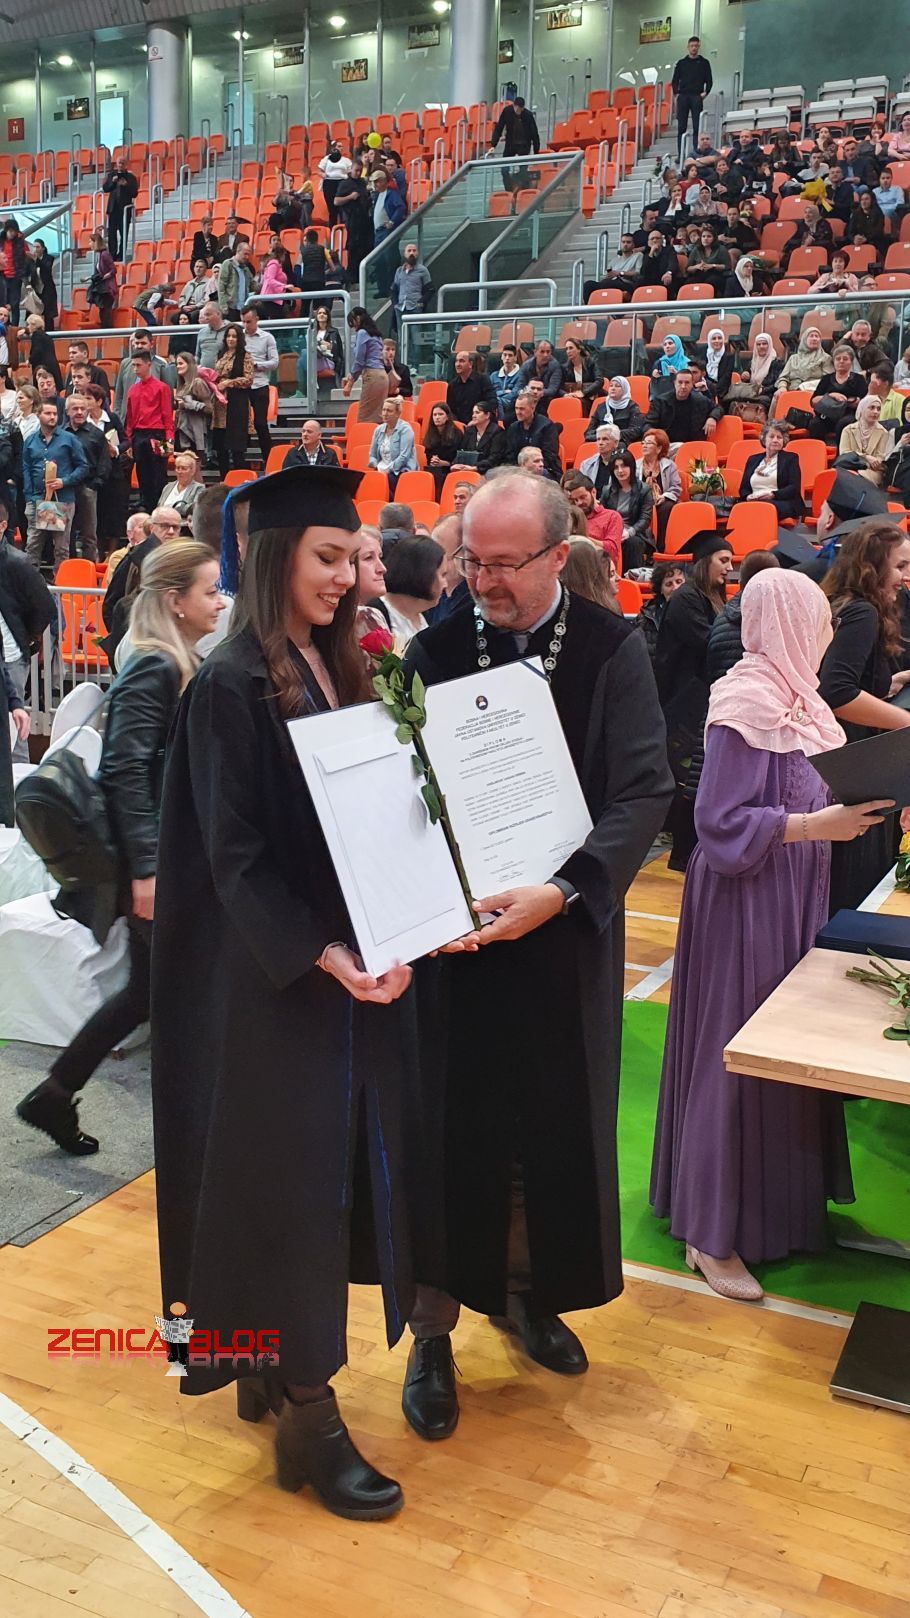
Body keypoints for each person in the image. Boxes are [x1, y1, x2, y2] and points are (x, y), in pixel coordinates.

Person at [151, 465, 420, 1522]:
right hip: (267, 980)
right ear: (275, 560)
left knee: (319, 1181)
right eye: (327, 557)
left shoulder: (336, 660)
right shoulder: (230, 684)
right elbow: (235, 854)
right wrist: (322, 952)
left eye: (353, 558)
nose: (347, 575)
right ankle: (310, 1416)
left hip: (332, 971)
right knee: (290, 1193)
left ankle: (262, 1366)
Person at [398, 468, 672, 1443]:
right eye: (472, 561)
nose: (485, 581)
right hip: (457, 945)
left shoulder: (610, 647)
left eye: (507, 564)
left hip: (562, 936)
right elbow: (401, 792)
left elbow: (643, 791)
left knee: (547, 1132)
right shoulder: (430, 650)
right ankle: (431, 1334)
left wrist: (560, 891)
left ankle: (529, 1294)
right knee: (446, 1140)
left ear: (560, 555)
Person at [650, 570, 872, 1300]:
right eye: (820, 622)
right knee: (737, 1045)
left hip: (791, 889)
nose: (827, 636)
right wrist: (815, 826)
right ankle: (711, 1232)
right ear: (792, 625)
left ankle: (781, 1212)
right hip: (745, 898)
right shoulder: (745, 701)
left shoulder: (799, 700)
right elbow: (718, 824)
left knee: (783, 1046)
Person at [17, 540, 223, 1153]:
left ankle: (54, 1095)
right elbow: (124, 770)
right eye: (210, 590)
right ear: (175, 600)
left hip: (168, 857)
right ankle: (197, 1128)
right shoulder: (157, 666)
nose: (220, 601)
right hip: (159, 863)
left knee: (147, 994)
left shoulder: (174, 660)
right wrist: (149, 870)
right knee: (173, 995)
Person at [820, 521, 910, 913]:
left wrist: (888, 683)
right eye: (900, 566)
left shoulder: (843, 605)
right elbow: (837, 691)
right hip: (857, 763)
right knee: (854, 889)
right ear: (872, 565)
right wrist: (905, 721)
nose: (905, 577)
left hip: (839, 759)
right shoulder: (862, 613)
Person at [656, 531, 734, 872]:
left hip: (701, 696)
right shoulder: (686, 598)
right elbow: (707, 643)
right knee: (688, 775)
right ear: (705, 562)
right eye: (723, 560)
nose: (729, 568)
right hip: (683, 701)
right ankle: (682, 852)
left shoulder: (710, 597)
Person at [0, 490, 52, 765]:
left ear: (3, 526)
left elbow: (45, 607)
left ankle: (20, 779)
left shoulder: (17, 563)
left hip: (11, 656)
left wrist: (25, 637)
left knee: (15, 725)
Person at [22, 399, 87, 574]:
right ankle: (30, 583)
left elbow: (83, 467)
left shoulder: (69, 439)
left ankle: (60, 583)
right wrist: (29, 497)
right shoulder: (30, 440)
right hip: (38, 499)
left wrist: (64, 481)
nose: (52, 417)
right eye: (48, 413)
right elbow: (26, 469)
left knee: (61, 548)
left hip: (61, 500)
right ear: (38, 415)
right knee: (33, 546)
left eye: (55, 414)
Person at [125, 351, 174, 513]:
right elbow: (130, 418)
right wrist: (129, 442)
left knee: (159, 474)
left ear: (149, 365)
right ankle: (145, 504)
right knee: (142, 473)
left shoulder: (162, 388)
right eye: (133, 365)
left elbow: (167, 416)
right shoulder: (132, 389)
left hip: (157, 434)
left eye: (138, 365)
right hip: (139, 435)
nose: (135, 369)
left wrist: (169, 441)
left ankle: (160, 506)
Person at [376, 534, 446, 645]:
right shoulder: (376, 614)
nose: (445, 584)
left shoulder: (425, 615)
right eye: (443, 575)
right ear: (424, 573)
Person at [64, 393, 109, 563]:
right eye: (75, 408)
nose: (79, 412)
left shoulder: (96, 434)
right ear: (67, 411)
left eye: (82, 408)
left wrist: (95, 484)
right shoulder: (60, 433)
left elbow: (104, 462)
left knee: (89, 534)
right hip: (65, 488)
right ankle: (68, 568)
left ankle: (90, 569)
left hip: (87, 487)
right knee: (65, 533)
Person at [601, 450, 654, 571]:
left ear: (631, 467)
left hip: (636, 533)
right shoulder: (607, 490)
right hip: (613, 532)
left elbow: (645, 519)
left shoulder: (644, 490)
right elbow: (603, 515)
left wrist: (629, 532)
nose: (620, 470)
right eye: (616, 467)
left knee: (632, 543)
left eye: (624, 466)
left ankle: (630, 578)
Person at [739, 421, 803, 520]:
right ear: (764, 439)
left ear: (784, 441)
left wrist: (772, 495)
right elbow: (743, 488)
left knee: (763, 508)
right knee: (739, 509)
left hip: (780, 501)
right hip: (753, 501)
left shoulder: (791, 458)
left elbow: (794, 488)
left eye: (779, 437)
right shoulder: (753, 459)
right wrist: (747, 496)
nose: (775, 440)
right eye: (771, 437)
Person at [212, 323, 253, 476]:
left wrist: (229, 383)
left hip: (237, 403)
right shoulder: (220, 354)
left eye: (234, 336)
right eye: (228, 336)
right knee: (221, 446)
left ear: (239, 338)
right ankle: (224, 479)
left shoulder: (245, 355)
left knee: (237, 447)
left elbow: (249, 379)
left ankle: (240, 479)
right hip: (220, 403)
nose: (230, 339)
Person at [560, 472, 623, 569]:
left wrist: (582, 539)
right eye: (575, 500)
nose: (579, 503)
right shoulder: (572, 517)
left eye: (582, 497)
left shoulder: (612, 516)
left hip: (599, 568)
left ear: (593, 492)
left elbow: (611, 550)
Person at [238, 307, 277, 465]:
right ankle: (241, 461)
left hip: (260, 384)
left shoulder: (267, 337)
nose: (246, 325)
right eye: (243, 322)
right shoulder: (239, 337)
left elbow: (274, 362)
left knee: (260, 423)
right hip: (242, 385)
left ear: (256, 320)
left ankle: (268, 459)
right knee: (241, 424)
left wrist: (257, 365)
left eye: (249, 322)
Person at [646, 369, 719, 447]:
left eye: (687, 383)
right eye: (680, 382)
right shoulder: (660, 401)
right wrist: (657, 437)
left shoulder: (700, 400)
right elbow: (648, 424)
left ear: (692, 384)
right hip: (667, 445)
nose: (683, 386)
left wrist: (712, 418)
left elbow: (718, 408)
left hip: (693, 446)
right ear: (674, 383)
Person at [342, 307, 388, 424]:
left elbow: (359, 360)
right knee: (378, 417)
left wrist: (350, 383)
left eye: (352, 321)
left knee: (365, 418)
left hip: (372, 375)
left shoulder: (362, 333)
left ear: (357, 318)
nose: (353, 326)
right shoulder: (376, 336)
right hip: (382, 375)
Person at [487, 95, 541, 195]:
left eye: (520, 109)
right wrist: (493, 145)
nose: (517, 110)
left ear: (523, 108)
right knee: (504, 170)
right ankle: (509, 191)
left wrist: (536, 152)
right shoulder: (507, 111)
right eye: (516, 108)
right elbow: (499, 128)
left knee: (523, 171)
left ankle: (523, 190)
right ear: (513, 106)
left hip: (524, 145)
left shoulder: (528, 115)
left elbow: (534, 134)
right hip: (510, 145)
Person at [504, 388, 561, 481]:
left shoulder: (547, 426)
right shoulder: (513, 427)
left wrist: (529, 467)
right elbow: (509, 455)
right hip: (519, 469)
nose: (518, 412)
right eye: (516, 408)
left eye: (522, 409)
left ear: (533, 408)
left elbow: (550, 456)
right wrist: (520, 469)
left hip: (544, 469)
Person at [638, 427, 682, 546]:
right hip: (641, 501)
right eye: (643, 443)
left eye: (649, 443)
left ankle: (661, 544)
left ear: (659, 449)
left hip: (661, 501)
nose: (644, 445)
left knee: (666, 507)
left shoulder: (669, 465)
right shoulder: (636, 465)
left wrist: (664, 496)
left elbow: (676, 487)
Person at [672, 36, 712, 162]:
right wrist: (676, 94)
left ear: (698, 47)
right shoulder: (681, 63)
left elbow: (709, 80)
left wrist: (706, 92)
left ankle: (696, 152)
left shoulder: (704, 63)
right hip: (683, 96)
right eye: (692, 46)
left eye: (696, 46)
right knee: (681, 127)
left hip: (696, 96)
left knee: (697, 126)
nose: (694, 48)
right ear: (688, 47)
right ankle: (681, 154)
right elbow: (675, 80)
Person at [838, 394, 893, 486]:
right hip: (850, 467)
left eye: (878, 409)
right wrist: (866, 457)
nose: (875, 412)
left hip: (873, 471)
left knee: (860, 477)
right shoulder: (848, 430)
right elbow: (844, 453)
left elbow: (881, 459)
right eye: (871, 408)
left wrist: (869, 463)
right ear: (862, 409)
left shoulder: (884, 433)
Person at [637, 561, 686, 663]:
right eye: (668, 584)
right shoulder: (646, 617)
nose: (675, 588)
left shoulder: (698, 611)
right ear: (660, 590)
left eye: (679, 582)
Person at [368, 395, 417, 493]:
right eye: (383, 410)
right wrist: (375, 465)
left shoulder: (405, 429)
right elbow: (372, 455)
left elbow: (404, 456)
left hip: (400, 470)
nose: (385, 414)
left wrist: (388, 469)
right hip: (381, 469)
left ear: (398, 413)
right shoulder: (378, 430)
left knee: (388, 481)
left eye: (389, 411)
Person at [334, 159, 373, 281]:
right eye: (356, 170)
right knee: (354, 248)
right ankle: (353, 276)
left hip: (364, 219)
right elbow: (336, 201)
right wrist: (350, 197)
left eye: (360, 171)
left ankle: (363, 275)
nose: (358, 173)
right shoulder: (345, 184)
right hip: (352, 220)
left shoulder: (362, 182)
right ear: (351, 169)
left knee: (365, 247)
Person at [173, 352, 214, 460]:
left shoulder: (198, 383)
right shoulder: (182, 385)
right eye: (176, 364)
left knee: (194, 465)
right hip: (181, 431)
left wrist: (188, 404)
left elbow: (209, 409)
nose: (178, 366)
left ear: (190, 364)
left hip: (194, 435)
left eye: (181, 363)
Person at [586, 376, 646, 446]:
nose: (613, 388)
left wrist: (613, 435)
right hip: (600, 442)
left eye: (617, 386)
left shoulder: (632, 407)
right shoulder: (601, 407)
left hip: (621, 442)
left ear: (624, 389)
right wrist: (603, 436)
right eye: (611, 386)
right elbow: (588, 433)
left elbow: (636, 430)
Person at [582, 233, 642, 302]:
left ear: (633, 245)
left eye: (628, 242)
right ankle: (589, 307)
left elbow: (638, 273)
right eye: (623, 242)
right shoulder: (614, 260)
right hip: (610, 282)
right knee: (588, 284)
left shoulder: (638, 255)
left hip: (626, 283)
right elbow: (607, 275)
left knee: (608, 283)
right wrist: (609, 275)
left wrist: (620, 273)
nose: (625, 244)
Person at [391, 242, 433, 337]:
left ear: (417, 253)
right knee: (402, 336)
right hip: (400, 307)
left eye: (414, 251)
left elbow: (430, 289)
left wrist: (420, 303)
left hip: (415, 306)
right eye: (409, 251)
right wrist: (395, 304)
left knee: (416, 336)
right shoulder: (399, 271)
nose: (412, 253)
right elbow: (394, 289)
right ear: (405, 254)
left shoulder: (422, 270)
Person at [447, 349, 497, 426]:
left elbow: (492, 403)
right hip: (460, 426)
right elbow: (450, 410)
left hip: (481, 423)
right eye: (456, 361)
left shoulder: (483, 380)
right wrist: (459, 424)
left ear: (470, 364)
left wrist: (476, 420)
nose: (458, 364)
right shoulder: (452, 385)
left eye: (462, 361)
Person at [458, 399, 506, 477]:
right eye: (473, 413)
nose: (473, 416)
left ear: (487, 415)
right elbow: (462, 451)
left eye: (477, 413)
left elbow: (495, 457)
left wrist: (476, 468)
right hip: (468, 468)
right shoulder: (469, 430)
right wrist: (456, 465)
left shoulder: (497, 432)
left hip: (489, 471)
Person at [422, 401, 463, 496]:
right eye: (435, 415)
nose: (437, 417)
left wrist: (444, 463)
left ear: (447, 416)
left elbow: (458, 457)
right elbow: (428, 456)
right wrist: (434, 460)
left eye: (440, 414)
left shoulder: (457, 434)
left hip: (451, 469)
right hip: (434, 469)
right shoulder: (430, 434)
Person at [159, 451, 205, 532]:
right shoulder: (168, 487)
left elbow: (194, 508)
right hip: (162, 525)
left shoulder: (199, 488)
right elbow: (159, 507)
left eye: (184, 468)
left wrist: (170, 509)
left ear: (192, 471)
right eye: (178, 468)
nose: (180, 471)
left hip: (183, 527)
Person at [103, 156, 139, 260]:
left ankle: (121, 255)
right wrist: (113, 182)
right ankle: (112, 254)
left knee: (124, 233)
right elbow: (105, 188)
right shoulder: (111, 175)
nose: (120, 165)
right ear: (116, 164)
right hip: (113, 209)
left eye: (122, 163)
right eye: (119, 163)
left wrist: (126, 185)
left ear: (126, 165)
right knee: (111, 233)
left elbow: (134, 193)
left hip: (125, 210)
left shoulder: (131, 177)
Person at [579, 422, 622, 496]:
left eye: (605, 439)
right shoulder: (586, 464)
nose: (600, 443)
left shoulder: (624, 465)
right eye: (598, 439)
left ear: (616, 443)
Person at [217, 241, 255, 321]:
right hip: (230, 308)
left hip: (243, 308)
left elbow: (253, 285)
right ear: (238, 251)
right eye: (245, 254)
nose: (247, 257)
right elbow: (221, 287)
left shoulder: (246, 269)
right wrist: (223, 306)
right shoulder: (227, 264)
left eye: (248, 255)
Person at [317, 142, 353, 225]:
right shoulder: (326, 159)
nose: (340, 148)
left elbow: (350, 173)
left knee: (342, 209)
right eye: (339, 146)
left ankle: (344, 228)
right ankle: (332, 228)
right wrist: (323, 174)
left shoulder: (346, 160)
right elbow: (319, 171)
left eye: (341, 146)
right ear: (333, 147)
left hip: (342, 184)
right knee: (332, 210)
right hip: (329, 184)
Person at [518, 339, 562, 405]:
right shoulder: (526, 365)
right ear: (535, 352)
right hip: (528, 398)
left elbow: (553, 389)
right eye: (542, 352)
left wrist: (537, 392)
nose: (545, 355)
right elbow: (519, 386)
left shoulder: (555, 365)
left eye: (548, 352)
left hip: (546, 399)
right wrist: (528, 392)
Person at [560, 338, 599, 413]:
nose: (568, 351)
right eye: (566, 349)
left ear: (579, 349)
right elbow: (558, 386)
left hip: (589, 397)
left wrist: (583, 393)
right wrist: (565, 394)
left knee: (580, 403)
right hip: (571, 397)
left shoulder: (590, 363)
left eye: (571, 348)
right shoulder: (565, 368)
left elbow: (599, 381)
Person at [490, 343, 523, 426]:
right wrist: (504, 392)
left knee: (497, 400)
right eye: (505, 355)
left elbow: (514, 394)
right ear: (501, 357)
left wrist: (497, 395)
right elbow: (489, 393)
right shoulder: (494, 375)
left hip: (513, 403)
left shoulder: (521, 374)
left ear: (515, 358)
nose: (507, 358)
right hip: (496, 403)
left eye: (510, 355)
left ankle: (500, 423)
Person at [31, 239, 58, 330]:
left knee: (48, 313)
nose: (35, 249)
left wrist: (37, 260)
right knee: (35, 313)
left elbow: (46, 269)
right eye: (34, 247)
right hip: (36, 289)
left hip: (47, 289)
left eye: (38, 247)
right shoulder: (30, 260)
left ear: (43, 248)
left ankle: (50, 331)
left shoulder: (49, 258)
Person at [703, 329, 735, 404]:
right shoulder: (704, 356)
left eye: (719, 338)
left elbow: (726, 377)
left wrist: (714, 391)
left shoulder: (729, 357)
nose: (717, 341)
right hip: (707, 389)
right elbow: (703, 375)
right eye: (714, 338)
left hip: (723, 391)